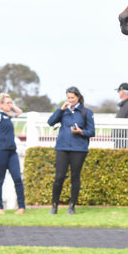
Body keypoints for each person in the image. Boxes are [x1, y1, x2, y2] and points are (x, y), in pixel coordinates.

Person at [47, 86, 95, 215]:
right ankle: (54, 206)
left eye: (72, 97)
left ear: (78, 97)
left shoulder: (86, 112)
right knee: (59, 177)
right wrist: (60, 110)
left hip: (79, 149)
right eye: (68, 97)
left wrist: (81, 131)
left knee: (75, 177)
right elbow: (50, 122)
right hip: (62, 147)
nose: (70, 100)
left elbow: (92, 132)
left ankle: (72, 206)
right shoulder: (63, 111)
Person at [0, 93, 26, 215]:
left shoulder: (6, 115)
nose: (10, 105)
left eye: (10, 102)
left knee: (17, 178)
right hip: (0, 151)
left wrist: (10, 106)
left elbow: (19, 112)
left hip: (11, 151)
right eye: (7, 103)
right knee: (0, 179)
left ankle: (21, 207)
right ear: (0, 104)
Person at [113, 82, 128, 148]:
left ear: (122, 91)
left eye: (119, 91)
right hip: (120, 140)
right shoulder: (126, 105)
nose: (118, 93)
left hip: (124, 141)